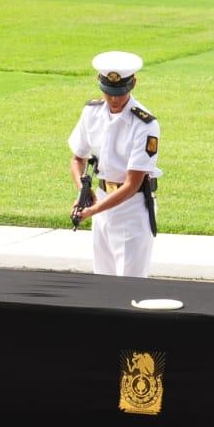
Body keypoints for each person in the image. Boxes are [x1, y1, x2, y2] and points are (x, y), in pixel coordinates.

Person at [68, 51, 161, 277]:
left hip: (132, 208)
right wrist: (83, 191)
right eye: (109, 92)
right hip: (101, 200)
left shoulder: (145, 124)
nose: (114, 99)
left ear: (133, 84)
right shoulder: (91, 112)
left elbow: (131, 184)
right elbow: (77, 158)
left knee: (129, 286)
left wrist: (92, 210)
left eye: (120, 93)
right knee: (103, 280)